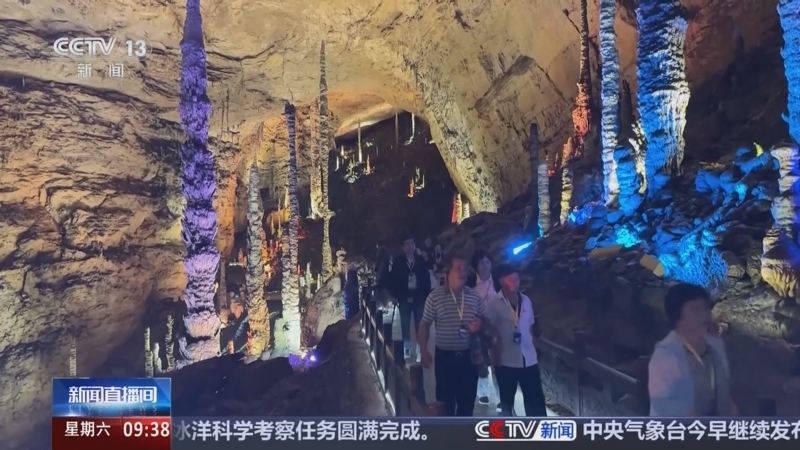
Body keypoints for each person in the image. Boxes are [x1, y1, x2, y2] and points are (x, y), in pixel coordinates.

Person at [648, 283, 738, 416]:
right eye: (695, 310)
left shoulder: (716, 346)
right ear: (677, 316)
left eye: (705, 308)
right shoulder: (665, 355)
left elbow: (724, 394)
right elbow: (664, 408)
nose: (704, 315)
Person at [418, 255, 485, 416]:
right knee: (445, 405)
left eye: (465, 269)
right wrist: (423, 350)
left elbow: (484, 319)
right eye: (458, 269)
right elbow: (424, 324)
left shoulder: (474, 296)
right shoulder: (435, 297)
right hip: (445, 359)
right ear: (448, 272)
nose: (463, 272)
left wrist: (479, 323)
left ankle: (463, 432)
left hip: (469, 358)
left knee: (467, 406)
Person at [484, 264, 547, 416]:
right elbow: (488, 329)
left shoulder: (526, 300)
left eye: (516, 278)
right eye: (510, 279)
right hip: (506, 360)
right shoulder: (494, 304)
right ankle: (509, 428)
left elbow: (530, 327)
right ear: (501, 280)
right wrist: (494, 353)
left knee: (536, 402)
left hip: (528, 358)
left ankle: (538, 428)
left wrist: (535, 347)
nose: (515, 282)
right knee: (507, 402)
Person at [388, 237, 432, 360]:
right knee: (405, 324)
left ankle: (420, 349)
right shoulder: (398, 261)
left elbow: (426, 279)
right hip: (403, 297)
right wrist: (394, 295)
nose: (410, 246)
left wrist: (427, 295)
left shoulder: (420, 260)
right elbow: (393, 280)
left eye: (412, 243)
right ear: (403, 247)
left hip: (419, 297)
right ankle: (406, 348)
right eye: (407, 243)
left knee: (420, 324)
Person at [466, 250, 500, 406]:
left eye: (487, 262)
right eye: (481, 262)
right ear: (476, 265)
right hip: (478, 325)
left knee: (498, 360)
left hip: (496, 325)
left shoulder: (497, 281)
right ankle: (483, 392)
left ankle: (501, 396)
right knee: (481, 359)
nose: (485, 265)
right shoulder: (470, 283)